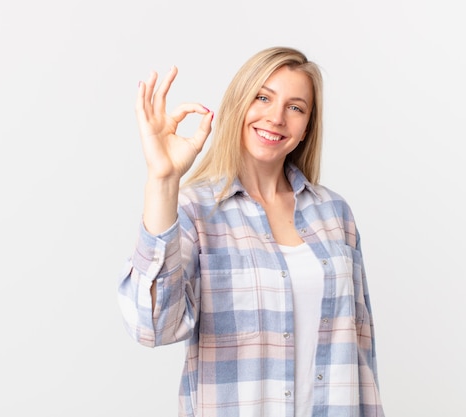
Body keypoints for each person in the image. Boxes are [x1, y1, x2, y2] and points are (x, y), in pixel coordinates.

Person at [117, 46, 385, 417]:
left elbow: (361, 350)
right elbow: (152, 327)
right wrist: (163, 181)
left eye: (295, 107)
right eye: (263, 97)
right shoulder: (195, 211)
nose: (276, 117)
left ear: (307, 127)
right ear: (238, 104)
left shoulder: (334, 213)